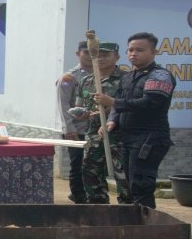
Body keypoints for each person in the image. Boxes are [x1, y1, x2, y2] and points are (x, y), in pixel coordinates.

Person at [95, 32, 176, 209]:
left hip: (149, 138)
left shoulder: (160, 76)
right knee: (130, 184)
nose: (133, 53)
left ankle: (146, 227)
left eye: (139, 50)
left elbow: (150, 104)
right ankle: (135, 224)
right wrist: (112, 121)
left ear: (153, 52)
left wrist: (113, 102)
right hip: (127, 138)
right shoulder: (128, 77)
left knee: (141, 184)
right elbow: (118, 105)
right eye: (130, 50)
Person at [73, 42, 130, 204]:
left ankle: (126, 210)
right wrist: (83, 113)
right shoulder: (86, 81)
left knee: (123, 176)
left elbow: (130, 105)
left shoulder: (126, 80)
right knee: (90, 174)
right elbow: (79, 107)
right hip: (93, 136)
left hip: (119, 137)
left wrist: (109, 108)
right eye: (97, 56)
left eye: (106, 55)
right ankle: (98, 209)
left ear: (117, 57)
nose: (101, 59)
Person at [57, 41, 93, 204]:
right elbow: (63, 104)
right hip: (76, 129)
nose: (90, 55)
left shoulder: (103, 75)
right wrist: (68, 128)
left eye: (94, 52)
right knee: (77, 163)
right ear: (78, 54)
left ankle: (91, 192)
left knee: (93, 165)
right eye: (86, 52)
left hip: (96, 128)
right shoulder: (69, 77)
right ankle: (78, 195)